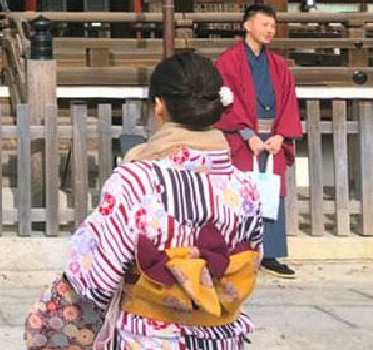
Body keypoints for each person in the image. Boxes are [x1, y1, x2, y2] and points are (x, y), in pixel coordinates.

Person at [31, 53, 263, 348]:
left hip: (150, 337)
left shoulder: (135, 180)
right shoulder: (246, 187)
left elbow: (96, 279)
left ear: (159, 106)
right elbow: (248, 264)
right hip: (221, 337)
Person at [216, 4, 302, 280]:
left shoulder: (278, 65)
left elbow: (288, 101)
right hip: (243, 137)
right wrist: (246, 134)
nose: (269, 31)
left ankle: (272, 253)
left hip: (273, 136)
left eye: (272, 26)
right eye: (264, 24)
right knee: (240, 192)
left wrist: (280, 135)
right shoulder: (228, 62)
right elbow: (226, 102)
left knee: (271, 192)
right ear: (247, 25)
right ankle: (239, 251)